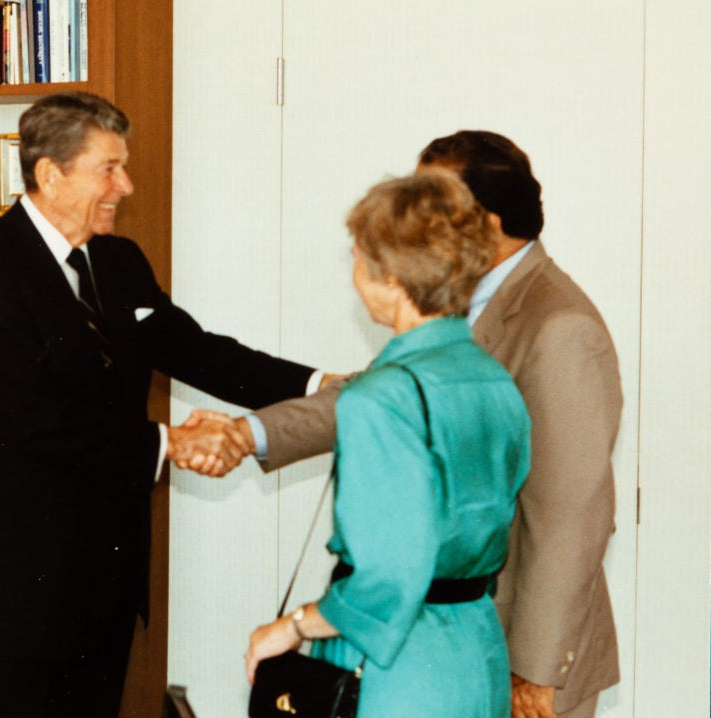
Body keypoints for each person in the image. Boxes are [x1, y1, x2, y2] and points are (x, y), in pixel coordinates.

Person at [195, 131, 623, 718]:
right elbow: (376, 396)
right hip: (472, 643)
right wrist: (248, 434)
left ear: (485, 222)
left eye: (434, 202)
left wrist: (535, 672)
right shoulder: (454, 332)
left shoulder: (558, 325)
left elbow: (571, 518)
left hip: (504, 653)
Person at [0, 91, 323, 717]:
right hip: (17, 595)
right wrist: (172, 442)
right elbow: (25, 419)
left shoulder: (118, 260)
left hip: (104, 589)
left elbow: (198, 351)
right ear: (50, 175)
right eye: (109, 169)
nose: (127, 185)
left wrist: (320, 385)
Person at [244, 170, 531, 716]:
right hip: (477, 653)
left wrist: (293, 626)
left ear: (392, 279)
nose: (354, 277)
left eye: (358, 259)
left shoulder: (378, 398)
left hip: (395, 667)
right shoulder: (495, 380)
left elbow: (387, 576)